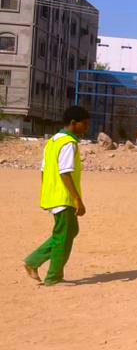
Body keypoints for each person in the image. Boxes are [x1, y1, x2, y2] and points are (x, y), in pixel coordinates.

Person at [23, 105, 91, 286]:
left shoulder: (53, 141)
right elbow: (65, 172)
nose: (86, 128)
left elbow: (44, 170)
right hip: (64, 197)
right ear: (73, 123)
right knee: (64, 235)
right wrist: (77, 199)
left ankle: (34, 260)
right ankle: (53, 277)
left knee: (69, 231)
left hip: (54, 195)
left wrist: (47, 191)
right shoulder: (68, 143)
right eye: (84, 124)